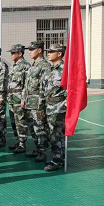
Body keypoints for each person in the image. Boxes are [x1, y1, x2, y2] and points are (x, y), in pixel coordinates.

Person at [22, 41, 51, 162]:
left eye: (32, 49)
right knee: (32, 128)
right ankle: (38, 149)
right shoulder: (33, 65)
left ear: (39, 50)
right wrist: (24, 99)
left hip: (37, 102)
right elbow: (26, 84)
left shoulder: (45, 66)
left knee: (40, 128)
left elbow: (45, 87)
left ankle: (43, 152)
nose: (29, 52)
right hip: (29, 102)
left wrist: (42, 105)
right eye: (29, 49)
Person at [40, 43, 67, 172]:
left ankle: (57, 160)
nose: (48, 54)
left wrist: (67, 103)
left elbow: (71, 89)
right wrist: (41, 107)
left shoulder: (65, 70)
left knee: (57, 135)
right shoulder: (48, 69)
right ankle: (57, 157)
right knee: (51, 134)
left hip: (59, 107)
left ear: (59, 53)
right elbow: (42, 89)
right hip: (48, 107)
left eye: (51, 51)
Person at [7, 44, 31, 153]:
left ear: (20, 53)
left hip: (19, 98)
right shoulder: (14, 66)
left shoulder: (25, 66)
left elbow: (26, 84)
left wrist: (23, 99)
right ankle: (18, 140)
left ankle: (22, 144)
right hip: (12, 98)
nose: (11, 55)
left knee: (20, 122)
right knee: (13, 121)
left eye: (13, 53)